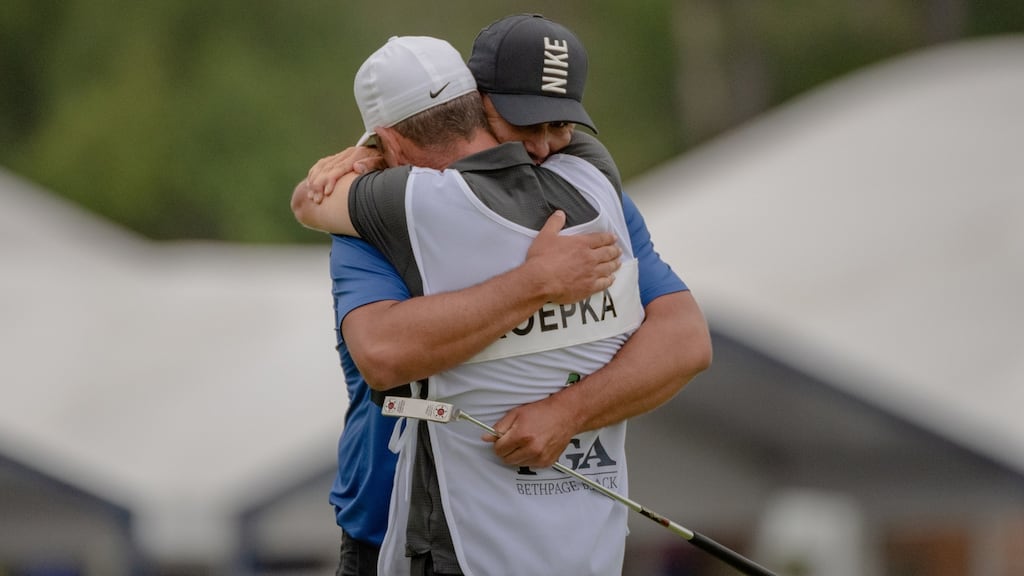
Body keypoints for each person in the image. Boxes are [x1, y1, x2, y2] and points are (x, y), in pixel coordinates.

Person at [293, 14, 712, 576]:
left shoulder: (587, 187)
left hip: (543, 538)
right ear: (478, 104)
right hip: (388, 531)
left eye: (560, 125)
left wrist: (568, 412)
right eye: (524, 124)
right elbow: (384, 355)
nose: (542, 148)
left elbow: (684, 339)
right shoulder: (376, 217)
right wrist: (535, 285)